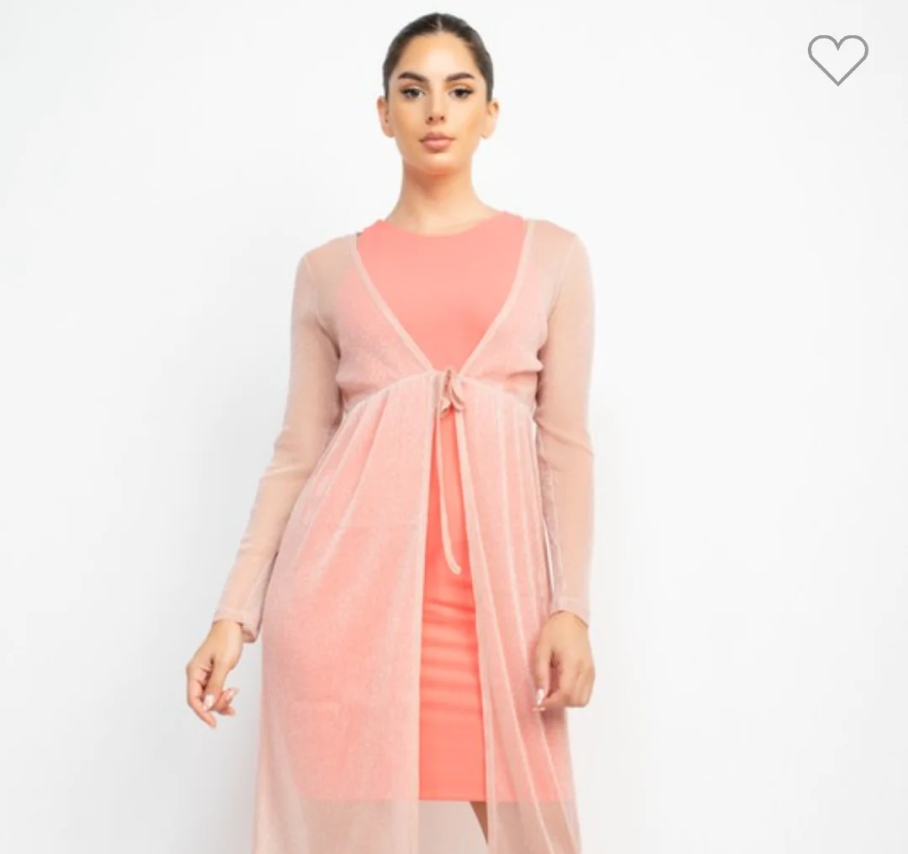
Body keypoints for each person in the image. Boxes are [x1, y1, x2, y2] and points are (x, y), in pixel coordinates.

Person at [185, 12, 597, 853]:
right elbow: (297, 455)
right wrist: (234, 616)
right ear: (383, 113)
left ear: (490, 113)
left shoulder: (553, 257)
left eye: (459, 90)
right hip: (346, 611)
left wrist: (571, 609)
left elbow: (564, 446)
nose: (435, 110)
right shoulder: (327, 271)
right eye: (413, 91)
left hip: (499, 613)